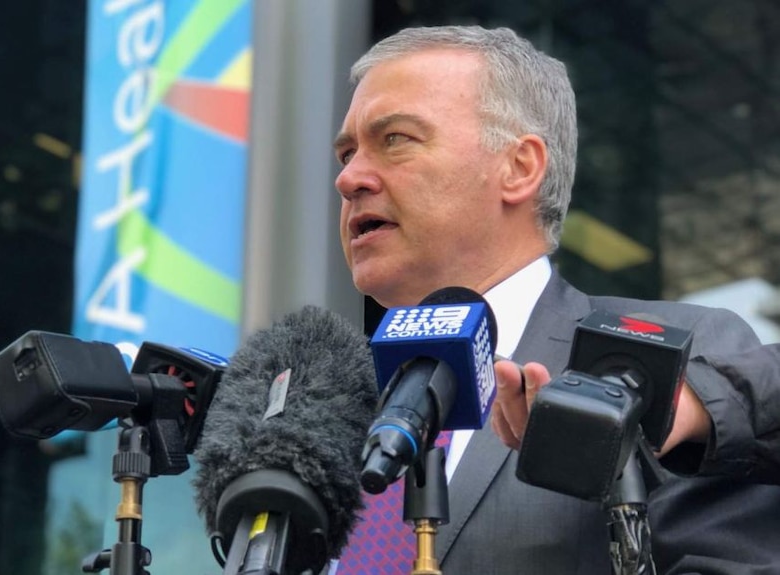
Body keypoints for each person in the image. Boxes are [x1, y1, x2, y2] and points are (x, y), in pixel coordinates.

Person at [331, 24, 780, 574]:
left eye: (395, 139)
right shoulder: (324, 415)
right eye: (346, 153)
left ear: (518, 168)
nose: (349, 178)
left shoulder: (670, 365)